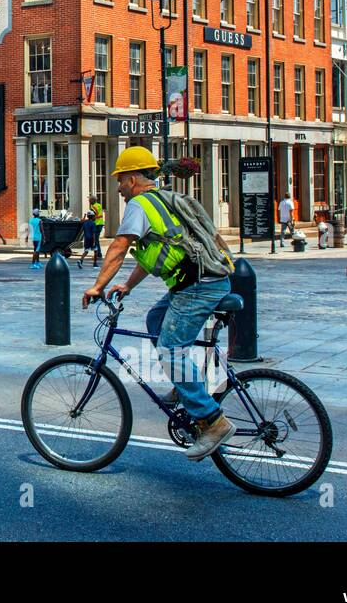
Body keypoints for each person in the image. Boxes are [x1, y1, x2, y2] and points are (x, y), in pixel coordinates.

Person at [81, 146, 236, 461]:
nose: (119, 187)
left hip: (199, 286)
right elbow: (158, 252)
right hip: (202, 280)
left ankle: (212, 422)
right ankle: (186, 385)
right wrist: (127, 284)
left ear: (135, 178)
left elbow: (121, 245)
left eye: (121, 180)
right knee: (155, 320)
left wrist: (99, 285)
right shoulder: (163, 200)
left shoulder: (139, 204)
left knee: (169, 348)